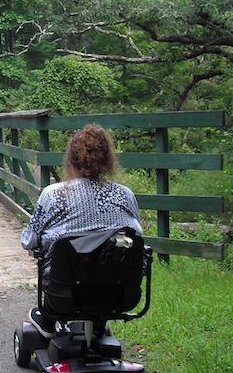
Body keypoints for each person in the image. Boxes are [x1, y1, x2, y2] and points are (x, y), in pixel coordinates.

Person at [20, 123, 142, 335]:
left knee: (52, 257)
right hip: (121, 291)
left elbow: (30, 240)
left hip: (65, 291)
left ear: (71, 159)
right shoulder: (125, 195)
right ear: (108, 159)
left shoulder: (53, 195)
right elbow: (138, 237)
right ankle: (99, 323)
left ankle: (49, 319)